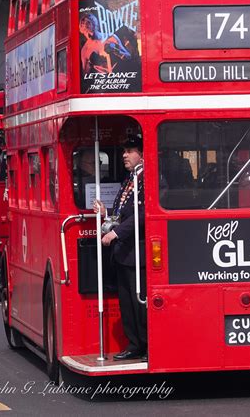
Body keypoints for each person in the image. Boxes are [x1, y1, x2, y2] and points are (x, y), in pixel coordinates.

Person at [93, 134, 146, 361]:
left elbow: (142, 215)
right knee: (126, 301)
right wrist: (106, 215)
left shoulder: (149, 179)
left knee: (139, 302)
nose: (124, 155)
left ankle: (147, 345)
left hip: (139, 252)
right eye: (124, 150)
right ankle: (134, 344)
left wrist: (116, 233)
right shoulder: (129, 180)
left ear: (142, 154)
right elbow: (122, 212)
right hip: (124, 253)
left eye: (130, 150)